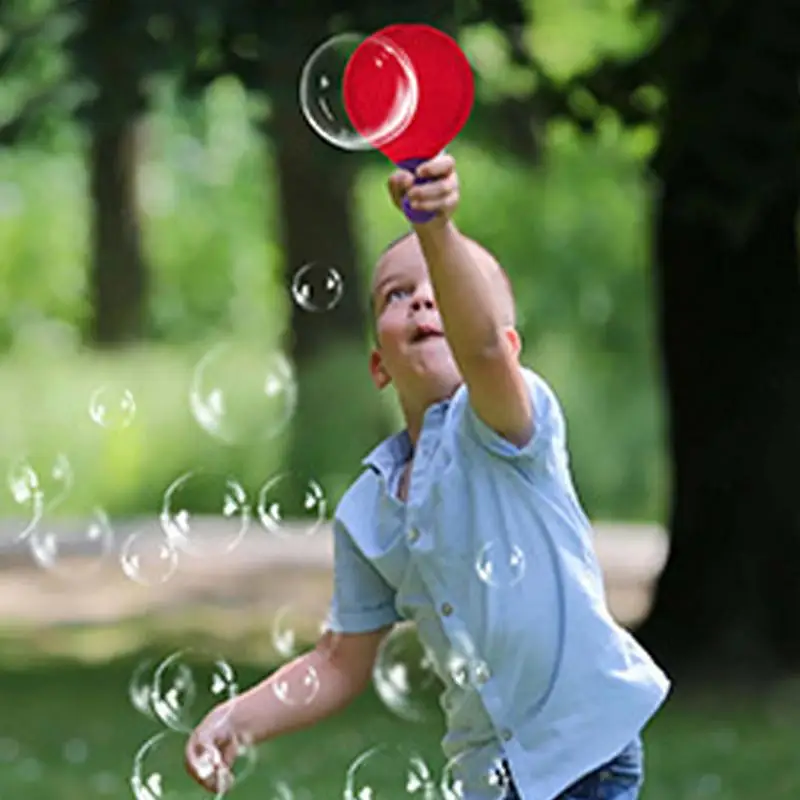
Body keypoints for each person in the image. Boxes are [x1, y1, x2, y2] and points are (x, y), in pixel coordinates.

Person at [185, 153, 671, 799]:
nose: (421, 297)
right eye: (396, 293)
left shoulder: (505, 429)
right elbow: (337, 662)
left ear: (509, 346)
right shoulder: (367, 512)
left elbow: (482, 350)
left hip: (584, 753)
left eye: (441, 289)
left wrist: (435, 229)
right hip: (489, 776)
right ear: (378, 365)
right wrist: (236, 717)